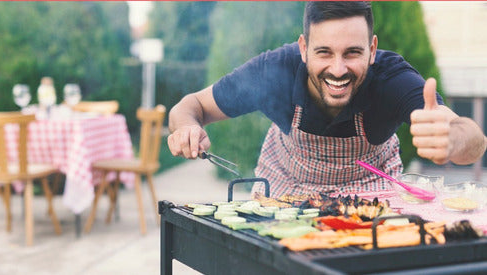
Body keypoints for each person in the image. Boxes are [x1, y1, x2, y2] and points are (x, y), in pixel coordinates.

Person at [167, 1, 486, 197]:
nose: (337, 69)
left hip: (370, 190)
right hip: (285, 187)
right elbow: (190, 106)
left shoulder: (392, 79)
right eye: (324, 52)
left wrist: (454, 140)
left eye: (352, 53)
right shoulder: (274, 70)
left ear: (372, 50)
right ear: (303, 48)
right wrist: (185, 128)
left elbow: (471, 137)